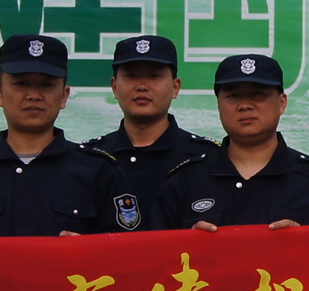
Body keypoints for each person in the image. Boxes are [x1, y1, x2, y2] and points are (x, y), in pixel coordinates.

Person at [0, 32, 135, 236]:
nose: (34, 95)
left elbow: (128, 249)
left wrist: (87, 249)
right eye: (21, 83)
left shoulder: (100, 172)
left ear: (64, 96)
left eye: (46, 84)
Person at [152, 53, 309, 230]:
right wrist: (187, 243)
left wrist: (307, 243)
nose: (245, 105)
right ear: (219, 105)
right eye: (233, 96)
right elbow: (157, 254)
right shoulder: (185, 182)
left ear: (282, 103)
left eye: (258, 95)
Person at [85, 33, 220, 212]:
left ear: (175, 87)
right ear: (115, 87)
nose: (142, 86)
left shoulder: (209, 158)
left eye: (154, 76)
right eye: (131, 76)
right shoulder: (88, 160)